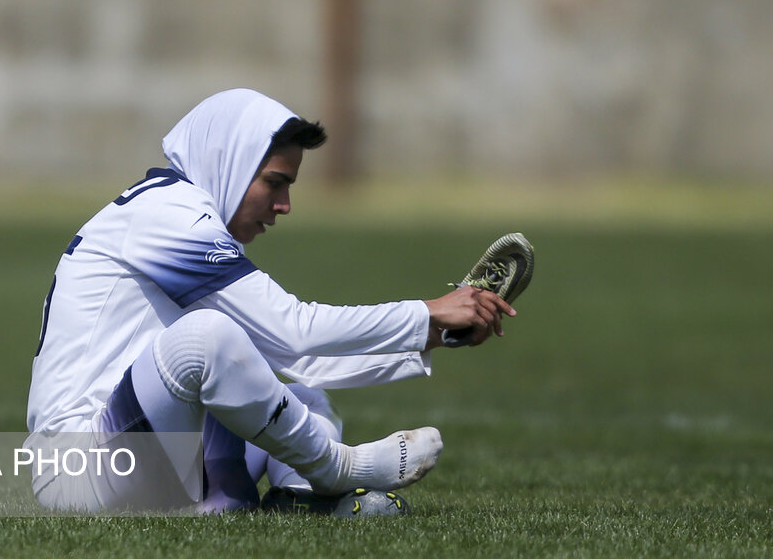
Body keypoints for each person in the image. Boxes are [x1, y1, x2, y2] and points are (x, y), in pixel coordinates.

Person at [26, 88, 514, 514]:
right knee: (208, 339)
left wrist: (437, 333)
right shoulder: (167, 215)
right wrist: (426, 310)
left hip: (140, 456)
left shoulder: (181, 215)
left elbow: (294, 357)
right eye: (274, 182)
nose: (284, 206)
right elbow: (292, 329)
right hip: (77, 471)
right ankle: (339, 469)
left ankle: (301, 497)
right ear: (230, 161)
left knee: (302, 397)